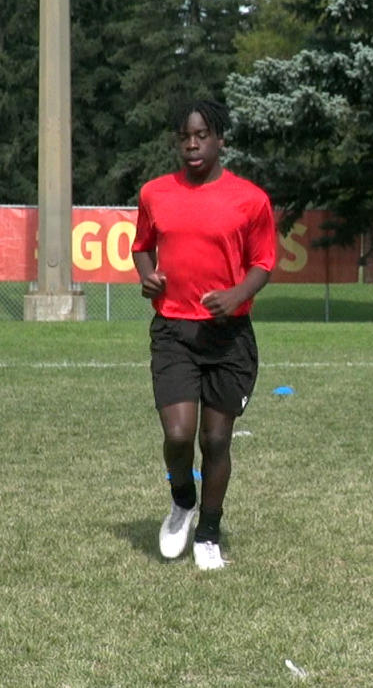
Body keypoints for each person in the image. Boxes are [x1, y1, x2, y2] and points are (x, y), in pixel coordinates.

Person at [132, 99, 276, 570]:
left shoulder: (250, 199)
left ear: (220, 140)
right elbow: (142, 247)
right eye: (184, 137)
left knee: (216, 442)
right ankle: (182, 501)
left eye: (202, 136)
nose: (192, 145)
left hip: (228, 337)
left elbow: (263, 263)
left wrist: (237, 295)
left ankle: (208, 535)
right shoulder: (155, 193)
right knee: (178, 435)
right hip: (173, 329)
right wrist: (148, 276)